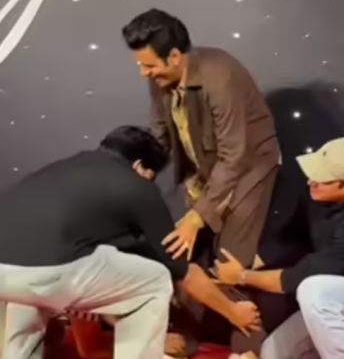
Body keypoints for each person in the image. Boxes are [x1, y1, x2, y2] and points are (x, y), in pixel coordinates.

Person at [0, 126, 261, 359]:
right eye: (151, 174)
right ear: (139, 166)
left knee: (29, 287)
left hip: (6, 275)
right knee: (155, 279)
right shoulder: (136, 185)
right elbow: (184, 273)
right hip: (53, 271)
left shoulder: (60, 170)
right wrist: (233, 312)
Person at [121, 9, 280, 355]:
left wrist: (196, 217)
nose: (144, 72)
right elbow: (160, 132)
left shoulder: (221, 78)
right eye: (141, 65)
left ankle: (247, 349)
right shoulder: (160, 76)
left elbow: (235, 155)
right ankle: (186, 344)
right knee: (187, 258)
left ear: (175, 56)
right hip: (207, 170)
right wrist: (143, 170)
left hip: (249, 169)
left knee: (230, 264)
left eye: (148, 65)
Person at [214, 137, 344, 359]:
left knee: (312, 290)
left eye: (322, 179)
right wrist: (249, 261)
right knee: (271, 353)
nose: (311, 182)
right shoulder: (319, 197)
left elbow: (295, 279)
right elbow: (292, 240)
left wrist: (240, 276)